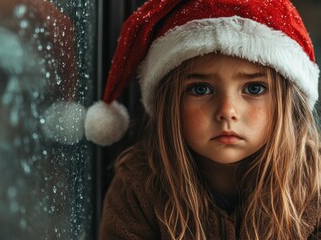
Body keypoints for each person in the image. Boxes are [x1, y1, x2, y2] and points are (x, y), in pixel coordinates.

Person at [84, 0, 321, 239]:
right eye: (200, 89)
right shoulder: (138, 185)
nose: (227, 111)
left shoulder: (315, 184)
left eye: (255, 88)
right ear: (169, 104)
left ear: (290, 104)